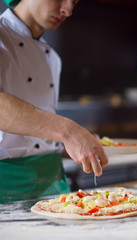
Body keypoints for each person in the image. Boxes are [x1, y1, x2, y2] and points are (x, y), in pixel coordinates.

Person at [0, 0, 108, 203]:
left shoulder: (53, 58)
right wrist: (68, 131)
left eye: (74, 2)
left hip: (54, 184)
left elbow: (37, 135)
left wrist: (75, 144)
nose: (67, 10)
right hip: (5, 187)